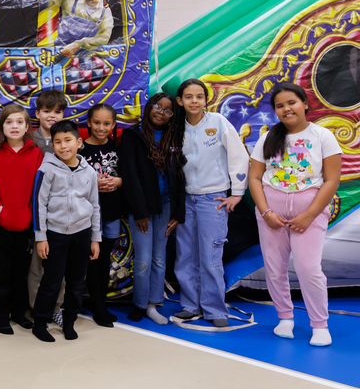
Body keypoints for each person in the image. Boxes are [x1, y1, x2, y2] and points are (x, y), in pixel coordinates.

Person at [248, 83, 341, 347]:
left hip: (309, 213)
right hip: (271, 213)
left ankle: (320, 325)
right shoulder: (268, 138)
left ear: (305, 104)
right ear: (275, 111)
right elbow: (255, 178)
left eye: (292, 102)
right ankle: (285, 317)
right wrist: (266, 212)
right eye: (280, 105)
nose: (287, 108)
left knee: (308, 269)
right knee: (275, 269)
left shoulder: (323, 136)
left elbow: (332, 180)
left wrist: (310, 214)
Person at [171, 79, 250, 328]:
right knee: (185, 255)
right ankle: (190, 306)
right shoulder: (176, 127)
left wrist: (236, 193)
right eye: (188, 97)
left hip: (212, 199)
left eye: (199, 96)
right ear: (179, 101)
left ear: (206, 100)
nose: (194, 101)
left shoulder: (218, 122)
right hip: (185, 199)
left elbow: (239, 157)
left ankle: (215, 309)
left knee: (211, 255)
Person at [117, 92, 186, 325]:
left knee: (159, 257)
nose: (162, 112)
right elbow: (130, 175)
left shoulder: (174, 137)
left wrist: (178, 212)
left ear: (171, 117)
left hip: (166, 204)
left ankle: (153, 304)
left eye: (168, 110)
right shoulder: (132, 135)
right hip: (142, 207)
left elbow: (180, 176)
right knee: (144, 259)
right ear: (148, 108)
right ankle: (139, 304)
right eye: (158, 106)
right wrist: (140, 212)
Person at [31, 120, 101, 342]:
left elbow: (95, 205)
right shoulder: (47, 168)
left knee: (76, 281)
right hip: (56, 234)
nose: (63, 146)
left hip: (82, 233)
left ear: (79, 142)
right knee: (51, 281)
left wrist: (95, 238)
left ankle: (69, 321)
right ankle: (40, 322)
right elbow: (38, 204)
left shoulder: (89, 171)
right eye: (57, 142)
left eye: (68, 140)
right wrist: (41, 237)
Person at [0, 104, 43, 335]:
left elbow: (41, 189)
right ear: (1, 126)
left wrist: (31, 214)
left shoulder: (36, 153)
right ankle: (3, 315)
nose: (14, 126)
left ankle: (18, 313)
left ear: (27, 127)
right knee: (2, 272)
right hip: (1, 223)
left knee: (21, 272)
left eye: (19, 122)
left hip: (26, 225)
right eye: (9, 122)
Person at [80, 103, 122, 327]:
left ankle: (101, 305)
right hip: (87, 216)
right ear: (88, 123)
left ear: (113, 125)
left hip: (111, 212)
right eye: (96, 122)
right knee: (90, 261)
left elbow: (126, 177)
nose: (101, 127)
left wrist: (117, 181)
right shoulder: (79, 149)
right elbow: (70, 182)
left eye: (106, 123)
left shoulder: (117, 147)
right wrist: (92, 183)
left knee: (103, 260)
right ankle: (94, 307)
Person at [29, 89, 67, 320]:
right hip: (34, 210)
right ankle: (37, 309)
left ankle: (56, 308)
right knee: (36, 264)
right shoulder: (28, 139)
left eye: (57, 111)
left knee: (58, 264)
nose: (52, 116)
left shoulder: (66, 141)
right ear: (37, 113)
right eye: (47, 111)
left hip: (61, 212)